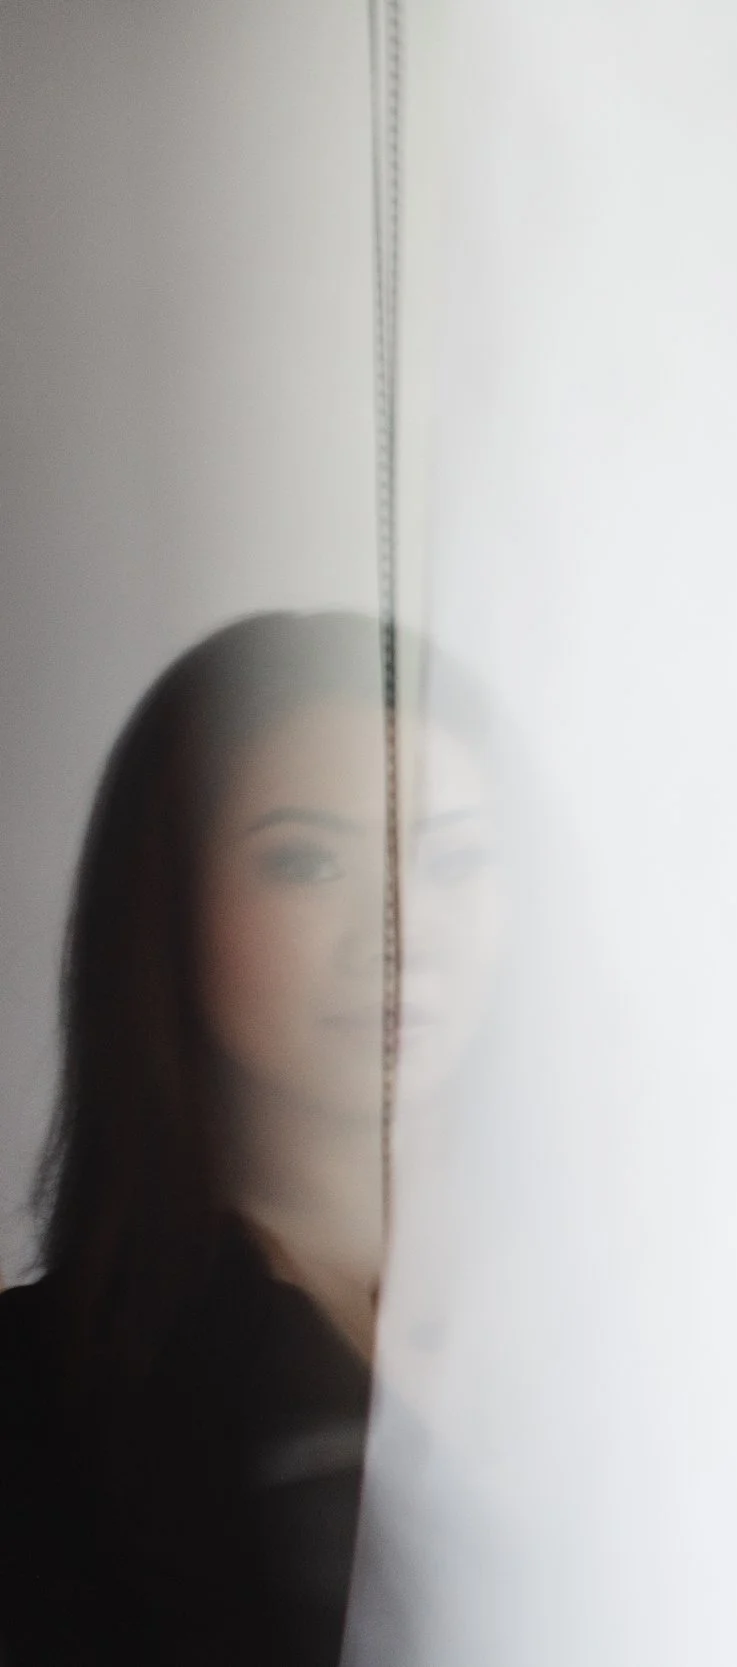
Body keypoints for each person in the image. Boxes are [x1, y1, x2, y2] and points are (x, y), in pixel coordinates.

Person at [0, 611, 505, 1667]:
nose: (399, 931)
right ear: (167, 902)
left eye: (454, 860)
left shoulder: (663, 1337)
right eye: (307, 863)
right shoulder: (36, 1404)